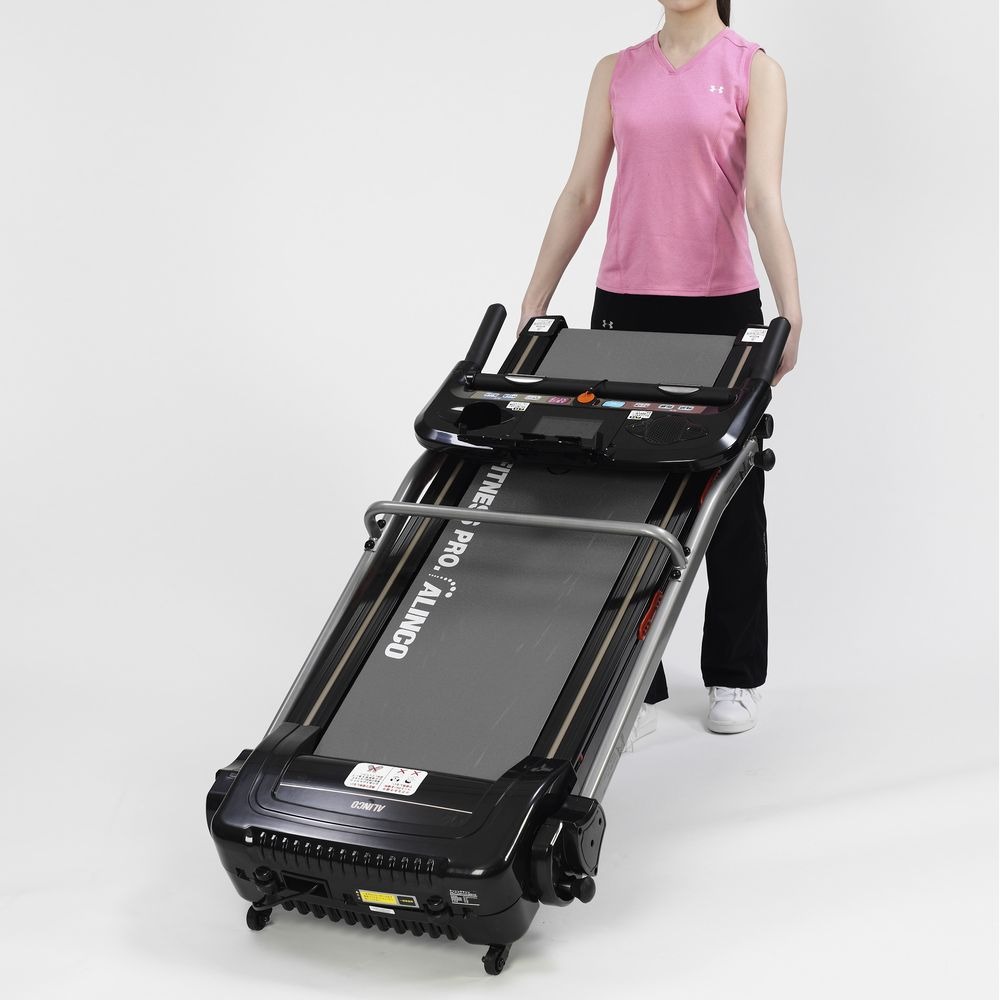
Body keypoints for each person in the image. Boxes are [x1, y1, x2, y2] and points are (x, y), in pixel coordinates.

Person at [516, 0, 802, 737]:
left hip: (720, 309)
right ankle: (632, 680)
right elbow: (582, 192)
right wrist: (535, 300)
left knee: (731, 495)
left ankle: (735, 674)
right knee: (622, 498)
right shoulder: (616, 71)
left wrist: (790, 311)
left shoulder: (754, 70)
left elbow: (763, 197)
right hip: (624, 305)